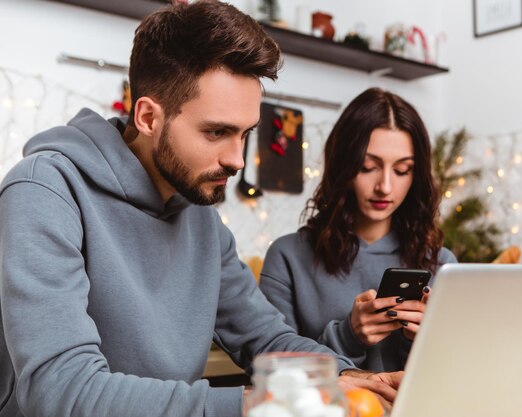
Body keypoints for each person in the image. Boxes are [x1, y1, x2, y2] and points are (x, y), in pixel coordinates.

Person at [0, 3, 401, 417]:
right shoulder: (44, 190)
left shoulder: (199, 212)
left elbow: (263, 335)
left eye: (245, 133)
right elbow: (61, 392)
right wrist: (257, 405)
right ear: (148, 117)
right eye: (216, 132)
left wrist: (347, 376)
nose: (237, 159)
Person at [259, 88, 457, 373]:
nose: (385, 187)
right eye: (368, 167)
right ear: (343, 164)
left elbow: (455, 374)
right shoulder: (289, 257)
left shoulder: (442, 264)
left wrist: (422, 340)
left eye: (402, 170)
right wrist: (348, 337)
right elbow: (272, 370)